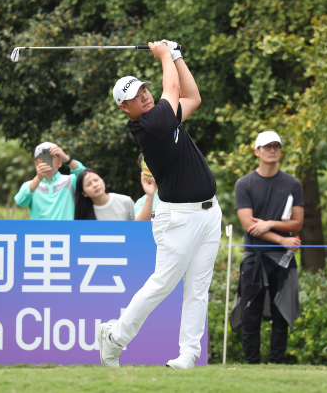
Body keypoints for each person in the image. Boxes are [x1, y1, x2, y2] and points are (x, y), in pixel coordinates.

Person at [97, 39, 221, 370]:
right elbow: (173, 86)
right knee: (162, 283)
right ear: (126, 108)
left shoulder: (163, 117)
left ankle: (187, 355)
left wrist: (177, 55)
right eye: (135, 97)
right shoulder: (150, 125)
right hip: (177, 217)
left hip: (209, 213)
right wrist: (166, 54)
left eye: (143, 90)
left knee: (198, 288)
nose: (144, 95)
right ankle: (115, 338)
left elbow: (192, 96)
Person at [234, 131, 304, 364]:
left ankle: (276, 363)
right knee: (250, 313)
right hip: (255, 256)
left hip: (283, 259)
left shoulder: (293, 184)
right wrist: (282, 238)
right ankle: (252, 364)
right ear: (257, 152)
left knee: (281, 312)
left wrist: (269, 224)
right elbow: (247, 224)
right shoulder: (244, 183)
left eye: (276, 146)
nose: (272, 149)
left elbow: (297, 223)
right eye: (267, 146)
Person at [14, 142, 85, 220]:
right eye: (41, 157)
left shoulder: (71, 180)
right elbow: (20, 202)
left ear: (60, 162)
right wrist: (38, 178)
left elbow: (86, 176)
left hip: (66, 231)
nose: (47, 160)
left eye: (52, 156)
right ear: (36, 164)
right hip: (40, 232)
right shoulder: (30, 185)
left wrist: (66, 158)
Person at [134, 153, 160, 221]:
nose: (151, 170)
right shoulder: (141, 202)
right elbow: (141, 227)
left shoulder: (180, 190)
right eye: (146, 169)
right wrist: (150, 196)